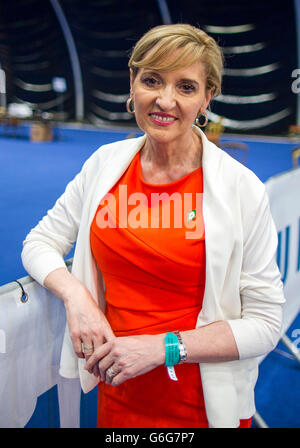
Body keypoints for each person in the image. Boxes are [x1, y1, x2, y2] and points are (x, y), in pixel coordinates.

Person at [21, 24, 285, 428]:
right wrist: (77, 298)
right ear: (132, 84)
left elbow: (266, 324)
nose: (165, 100)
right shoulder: (105, 165)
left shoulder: (240, 189)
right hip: (118, 390)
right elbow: (40, 242)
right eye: (152, 80)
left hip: (201, 403)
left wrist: (165, 348)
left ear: (206, 98)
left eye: (186, 87)